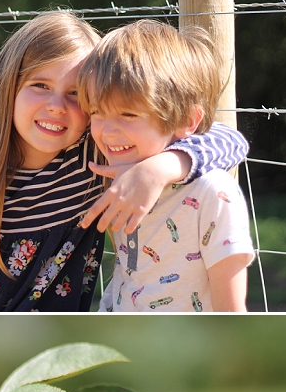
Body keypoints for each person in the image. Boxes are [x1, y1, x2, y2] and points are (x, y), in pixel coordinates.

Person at [0, 11, 249, 312]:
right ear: (8, 84)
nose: (56, 106)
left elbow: (229, 140)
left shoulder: (95, 157)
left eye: (76, 94)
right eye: (40, 85)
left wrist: (160, 169)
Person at [76, 19, 255, 312]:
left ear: (187, 120)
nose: (107, 132)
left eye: (128, 114)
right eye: (97, 112)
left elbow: (232, 315)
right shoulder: (112, 174)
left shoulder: (214, 194)